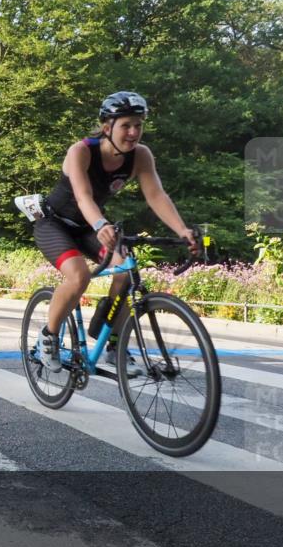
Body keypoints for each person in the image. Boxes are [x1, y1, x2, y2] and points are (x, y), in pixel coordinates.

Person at [33, 91, 198, 373]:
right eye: (126, 125)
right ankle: (47, 337)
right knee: (78, 276)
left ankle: (113, 343)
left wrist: (182, 229)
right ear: (107, 127)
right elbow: (83, 196)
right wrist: (101, 225)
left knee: (125, 271)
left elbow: (156, 195)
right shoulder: (81, 151)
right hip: (55, 223)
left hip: (89, 225)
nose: (134, 132)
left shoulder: (140, 156)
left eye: (139, 125)